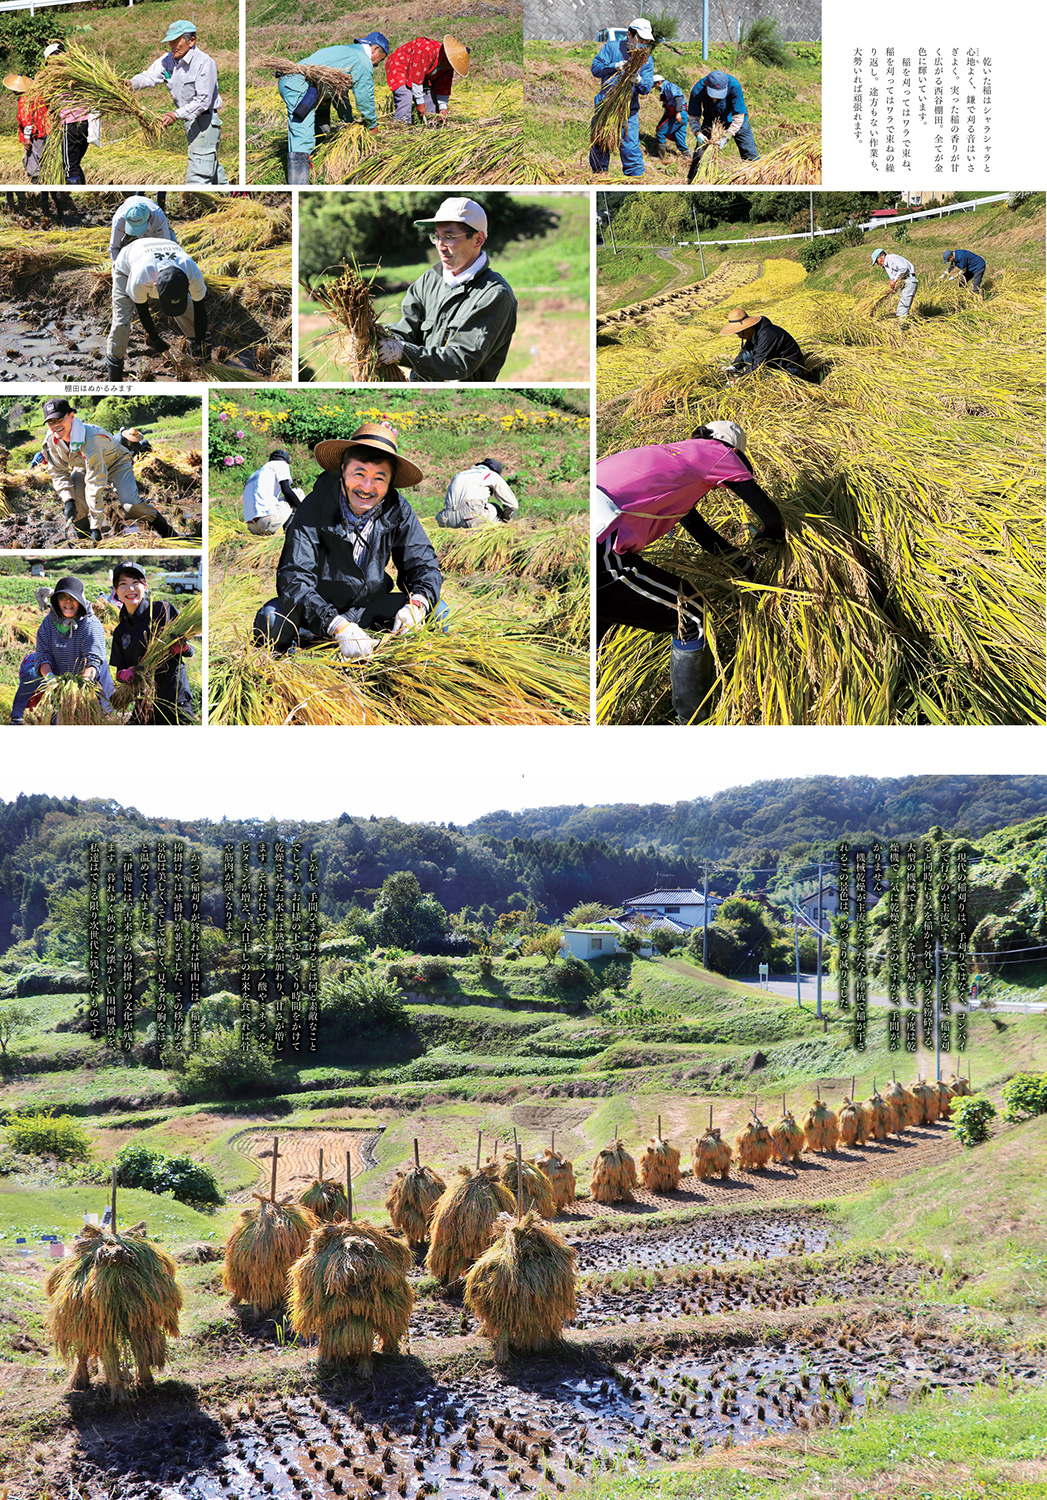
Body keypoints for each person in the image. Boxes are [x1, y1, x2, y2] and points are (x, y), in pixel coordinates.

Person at [595, 422, 785, 724]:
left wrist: (747, 569)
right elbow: (770, 513)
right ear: (732, 449)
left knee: (600, 628)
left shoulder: (674, 462)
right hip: (600, 544)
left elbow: (704, 535)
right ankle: (694, 722)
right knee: (690, 612)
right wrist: (770, 534)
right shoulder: (716, 452)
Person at [253, 421, 444, 659]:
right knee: (271, 619)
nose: (366, 487)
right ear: (342, 471)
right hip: (316, 610)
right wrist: (336, 625)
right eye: (359, 473)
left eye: (379, 479)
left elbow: (423, 565)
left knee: (438, 613)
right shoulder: (314, 506)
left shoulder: (397, 509)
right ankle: (293, 655)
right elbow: (294, 578)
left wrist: (416, 606)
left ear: (390, 483)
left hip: (368, 608)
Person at [377, 198, 517, 382]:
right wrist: (377, 337)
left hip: (460, 399)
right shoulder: (429, 280)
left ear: (478, 239)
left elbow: (460, 361)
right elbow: (407, 331)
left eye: (449, 237)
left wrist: (403, 352)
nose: (440, 246)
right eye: (436, 236)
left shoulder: (494, 295)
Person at [40, 397, 177, 543]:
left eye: (59, 419)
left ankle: (169, 533)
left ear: (72, 416)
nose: (55, 425)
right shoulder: (51, 440)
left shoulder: (90, 439)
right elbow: (57, 472)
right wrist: (68, 500)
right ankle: (86, 544)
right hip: (85, 465)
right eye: (51, 422)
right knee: (76, 503)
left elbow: (94, 483)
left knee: (132, 506)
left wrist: (96, 526)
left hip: (116, 464)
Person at [277, 34, 389, 185]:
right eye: (380, 60)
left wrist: (348, 122)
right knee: (302, 136)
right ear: (375, 49)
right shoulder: (362, 60)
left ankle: (318, 160)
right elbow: (365, 98)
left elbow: (340, 96)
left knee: (322, 114)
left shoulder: (347, 53)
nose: (376, 65)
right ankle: (298, 186)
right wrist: (372, 125)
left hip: (299, 84)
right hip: (299, 85)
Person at [130, 20, 227, 185]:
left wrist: (175, 115)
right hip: (189, 121)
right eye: (170, 42)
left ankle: (206, 203)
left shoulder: (204, 62)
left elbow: (203, 100)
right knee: (209, 166)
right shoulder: (168, 60)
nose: (172, 46)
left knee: (198, 177)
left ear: (191, 41)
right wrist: (129, 84)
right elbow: (149, 76)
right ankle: (231, 199)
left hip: (205, 122)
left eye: (176, 41)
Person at [106, 236, 208, 381]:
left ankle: (199, 355)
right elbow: (143, 311)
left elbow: (200, 310)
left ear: (188, 285)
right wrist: (155, 339)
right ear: (155, 287)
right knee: (121, 322)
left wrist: (200, 341)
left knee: (190, 312)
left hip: (163, 249)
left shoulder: (193, 274)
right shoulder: (140, 279)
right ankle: (114, 375)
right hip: (126, 268)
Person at [109, 561, 195, 725]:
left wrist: (182, 647)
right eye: (123, 584)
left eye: (135, 582)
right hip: (144, 703)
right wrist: (124, 675)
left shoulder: (162, 610)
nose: (130, 588)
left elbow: (190, 650)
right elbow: (119, 671)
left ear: (145, 586)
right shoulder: (121, 631)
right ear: (115, 591)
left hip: (175, 699)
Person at [22, 576, 115, 720]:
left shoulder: (90, 624)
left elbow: (93, 660)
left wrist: (79, 689)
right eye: (62, 597)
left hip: (92, 689)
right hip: (62, 689)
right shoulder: (48, 623)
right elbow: (42, 654)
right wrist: (50, 678)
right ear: (56, 600)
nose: (68, 602)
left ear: (81, 600)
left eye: (73, 598)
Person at [589, 18, 655, 178]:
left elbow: (646, 87)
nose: (643, 44)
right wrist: (614, 66)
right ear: (629, 35)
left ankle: (636, 179)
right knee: (600, 142)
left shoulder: (646, 59)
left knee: (630, 147)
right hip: (605, 106)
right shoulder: (611, 48)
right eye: (640, 39)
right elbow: (595, 69)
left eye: (646, 41)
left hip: (628, 111)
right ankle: (599, 175)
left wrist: (638, 80)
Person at [686, 69, 759, 182]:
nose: (716, 98)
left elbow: (739, 117)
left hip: (735, 119)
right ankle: (692, 181)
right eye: (713, 94)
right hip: (711, 119)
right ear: (706, 85)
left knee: (749, 151)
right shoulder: (698, 90)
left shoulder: (734, 86)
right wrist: (698, 133)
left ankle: (757, 179)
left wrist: (726, 138)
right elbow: (693, 117)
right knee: (700, 152)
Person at [384, 34, 470, 124]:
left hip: (422, 75)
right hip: (402, 66)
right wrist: (420, 102)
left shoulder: (448, 67)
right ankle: (402, 126)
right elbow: (416, 77)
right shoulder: (427, 49)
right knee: (406, 96)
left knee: (430, 100)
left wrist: (443, 108)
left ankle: (430, 127)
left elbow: (443, 87)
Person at [42, 42, 93, 185]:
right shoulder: (79, 69)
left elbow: (48, 101)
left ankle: (77, 193)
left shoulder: (54, 75)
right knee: (75, 162)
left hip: (70, 123)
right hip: (86, 121)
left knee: (70, 167)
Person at [720, 307, 811, 381]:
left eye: (739, 332)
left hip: (790, 369)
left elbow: (758, 363)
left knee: (766, 382)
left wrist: (740, 380)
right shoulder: (754, 333)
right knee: (747, 355)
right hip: (774, 364)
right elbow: (745, 352)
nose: (739, 336)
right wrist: (734, 366)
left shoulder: (768, 335)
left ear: (747, 327)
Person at [436, 458, 518, 528]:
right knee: (496, 509)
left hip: (445, 519)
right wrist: (505, 521)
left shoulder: (458, 475)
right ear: (495, 470)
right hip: (472, 517)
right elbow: (513, 506)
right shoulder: (491, 474)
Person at [242, 449, 304, 535]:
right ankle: (290, 533)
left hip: (252, 527)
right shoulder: (281, 464)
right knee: (298, 493)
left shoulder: (257, 473)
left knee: (284, 500)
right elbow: (286, 490)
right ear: (287, 463)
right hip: (266, 523)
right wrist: (303, 509)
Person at [109, 195, 177, 261]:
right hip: (130, 235)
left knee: (173, 249)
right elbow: (114, 248)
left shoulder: (159, 219)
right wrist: (117, 267)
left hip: (155, 228)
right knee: (125, 253)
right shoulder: (119, 220)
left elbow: (165, 246)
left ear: (149, 218)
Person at [871, 247, 918, 319]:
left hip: (909, 280)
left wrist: (894, 280)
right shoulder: (886, 266)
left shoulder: (890, 258)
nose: (878, 264)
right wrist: (893, 289)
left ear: (882, 255)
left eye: (877, 261)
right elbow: (895, 279)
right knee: (902, 308)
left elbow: (903, 268)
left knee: (902, 310)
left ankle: (903, 327)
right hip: (905, 283)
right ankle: (905, 324)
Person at [651, 73, 689, 159]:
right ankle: (688, 156)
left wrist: (678, 113)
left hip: (679, 114)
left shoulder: (669, 86)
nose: (655, 88)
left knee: (661, 132)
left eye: (655, 86)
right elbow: (666, 109)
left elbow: (678, 98)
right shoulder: (664, 91)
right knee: (679, 135)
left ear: (658, 83)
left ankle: (661, 158)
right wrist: (661, 121)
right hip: (681, 115)